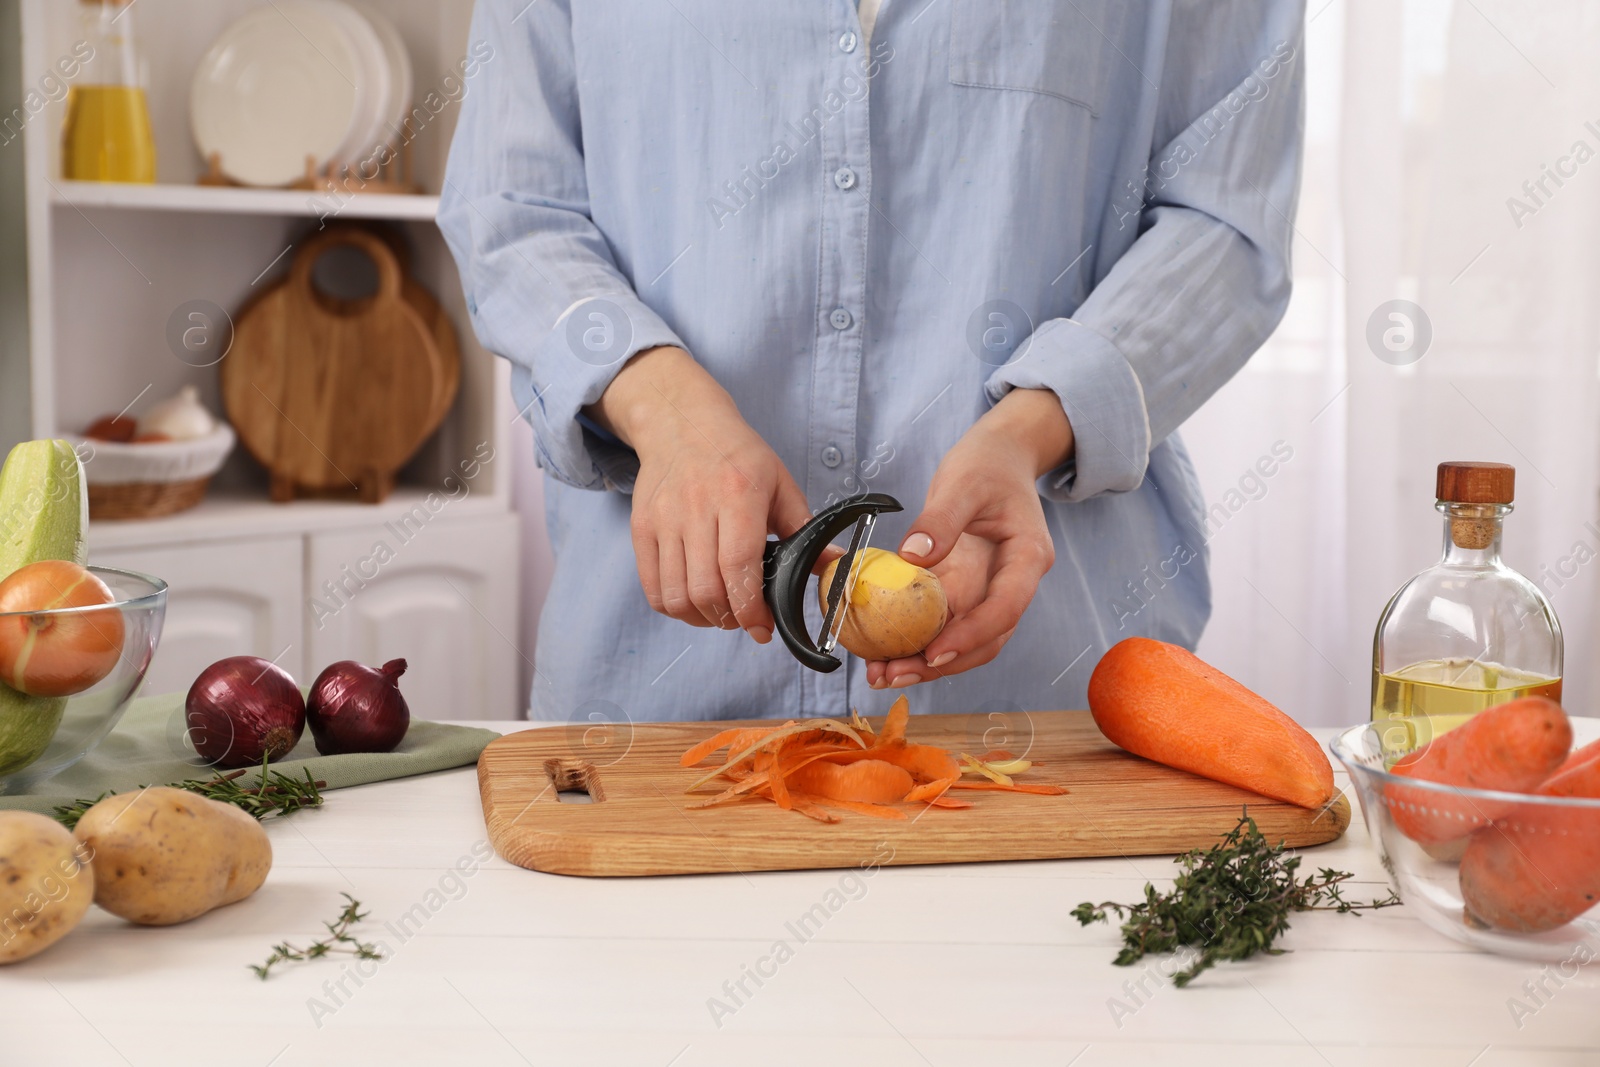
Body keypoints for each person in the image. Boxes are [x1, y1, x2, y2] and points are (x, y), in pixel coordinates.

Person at [439, 1, 1305, 723]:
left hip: (1050, 692)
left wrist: (1033, 427)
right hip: (652, 704)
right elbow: (511, 207)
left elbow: (1226, 221)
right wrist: (662, 404)